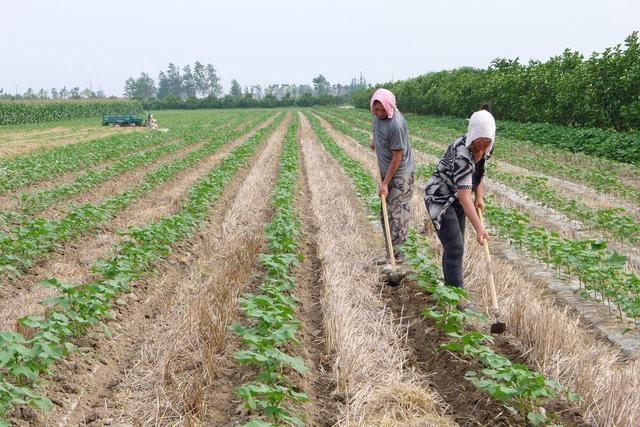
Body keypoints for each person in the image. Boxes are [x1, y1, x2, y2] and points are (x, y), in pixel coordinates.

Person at [424, 108, 495, 301]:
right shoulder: (463, 153)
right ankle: (457, 299)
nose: (481, 144)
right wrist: (480, 229)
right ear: (472, 134)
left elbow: (478, 173)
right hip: (440, 198)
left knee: (456, 246)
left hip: (456, 198)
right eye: (478, 139)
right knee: (455, 247)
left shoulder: (486, 148)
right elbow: (465, 198)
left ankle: (450, 290)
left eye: (486, 140)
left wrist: (479, 196)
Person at [369, 88, 415, 266]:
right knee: (385, 213)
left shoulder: (396, 124)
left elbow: (397, 157)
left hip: (400, 175)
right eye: (376, 109)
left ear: (388, 107)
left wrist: (386, 183)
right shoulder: (376, 116)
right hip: (386, 170)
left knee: (397, 216)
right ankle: (390, 254)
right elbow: (376, 129)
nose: (378, 113)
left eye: (381, 110)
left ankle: (398, 259)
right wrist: (375, 142)